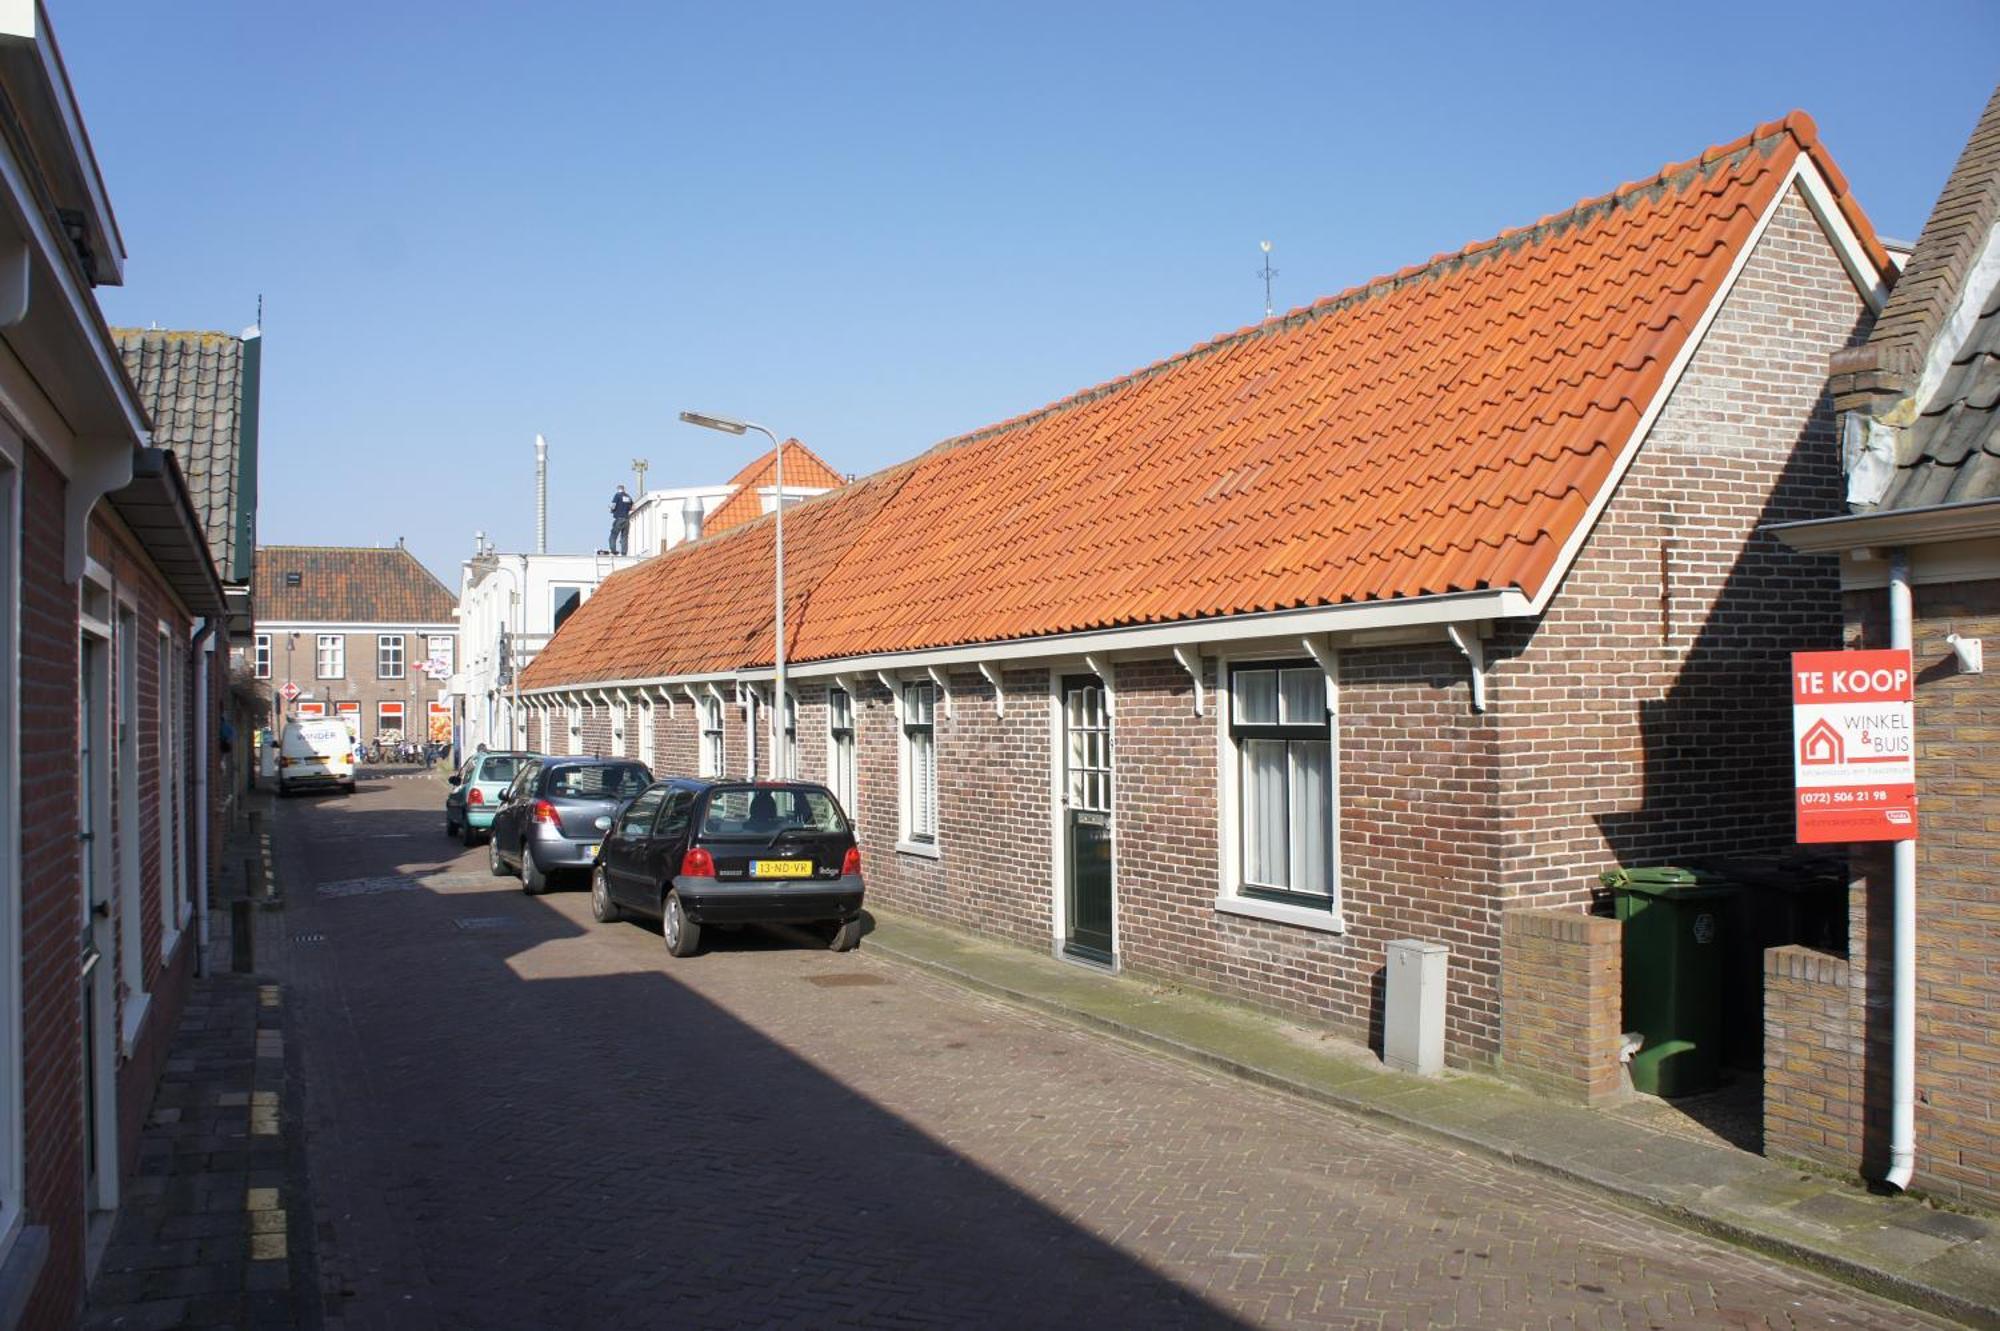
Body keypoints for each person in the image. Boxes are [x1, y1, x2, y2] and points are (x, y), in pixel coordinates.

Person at [608, 484, 633, 555]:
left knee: (613, 535)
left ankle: (613, 550)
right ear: (624, 489)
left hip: (619, 519)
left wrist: (611, 509)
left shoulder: (617, 495)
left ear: (618, 489)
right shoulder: (628, 497)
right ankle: (624, 553)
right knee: (624, 537)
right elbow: (632, 507)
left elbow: (613, 506)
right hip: (627, 519)